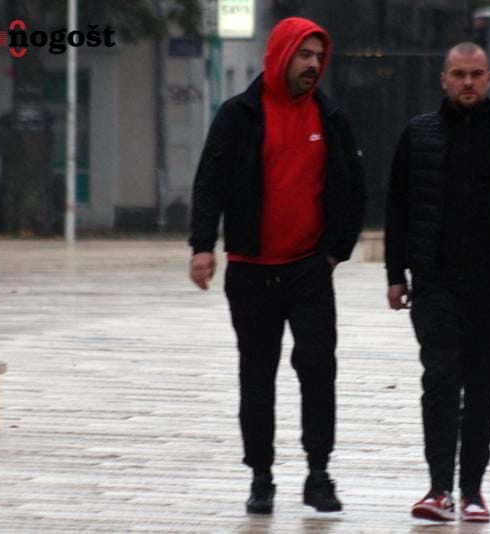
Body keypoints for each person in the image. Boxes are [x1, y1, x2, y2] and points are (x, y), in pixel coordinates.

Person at [188, 17, 366, 515]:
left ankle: (319, 473)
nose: (313, 65)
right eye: (304, 55)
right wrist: (202, 245)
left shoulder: (330, 116)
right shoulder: (238, 115)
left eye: (318, 57)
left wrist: (336, 251)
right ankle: (261, 476)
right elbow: (210, 181)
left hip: (309, 269)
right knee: (257, 374)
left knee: (318, 366)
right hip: (250, 270)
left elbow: (355, 187)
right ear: (281, 55)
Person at [384, 42, 490, 523]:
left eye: (476, 74)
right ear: (443, 79)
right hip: (435, 283)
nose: (467, 82)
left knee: (482, 391)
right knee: (440, 380)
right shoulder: (419, 135)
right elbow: (397, 208)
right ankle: (439, 489)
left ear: (489, 78)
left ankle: (473, 490)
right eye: (458, 74)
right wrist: (395, 275)